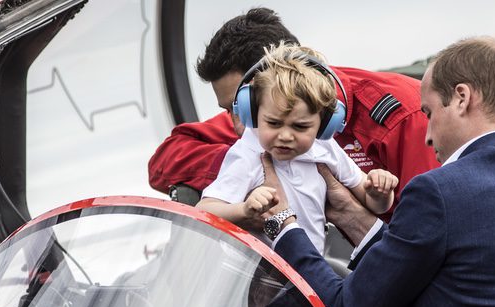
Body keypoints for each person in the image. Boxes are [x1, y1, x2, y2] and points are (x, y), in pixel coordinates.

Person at [263, 37, 495, 307]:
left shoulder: (439, 190)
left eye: (429, 113)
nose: (427, 137)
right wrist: (350, 215)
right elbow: (450, 275)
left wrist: (284, 221)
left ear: (462, 98)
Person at [148, 7, 440, 222]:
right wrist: (251, 167)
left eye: (239, 106)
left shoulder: (404, 116)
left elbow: (427, 230)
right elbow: (165, 161)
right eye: (235, 110)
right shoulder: (257, 126)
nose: (239, 125)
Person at [196, 43, 398, 253]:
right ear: (253, 113)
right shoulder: (248, 154)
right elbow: (204, 211)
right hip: (261, 275)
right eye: (273, 123)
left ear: (326, 125)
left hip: (308, 273)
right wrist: (244, 210)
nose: (285, 136)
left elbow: (374, 203)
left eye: (300, 127)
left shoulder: (325, 147)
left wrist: (380, 193)